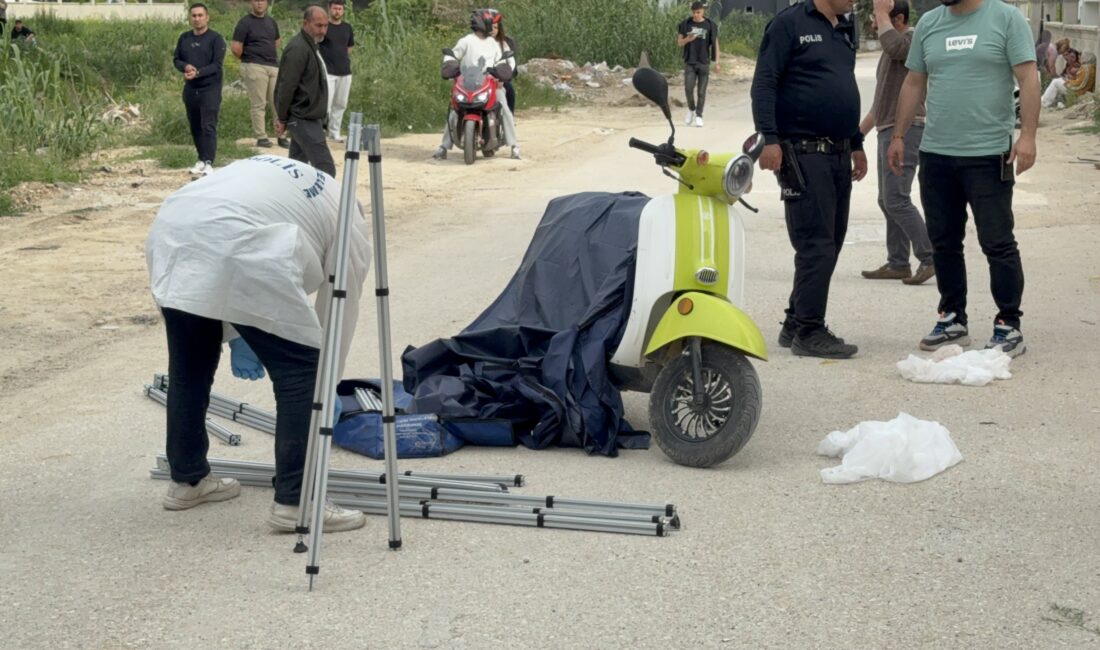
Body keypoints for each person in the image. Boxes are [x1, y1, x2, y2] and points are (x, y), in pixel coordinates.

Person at [145, 155, 371, 532]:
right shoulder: (350, 221)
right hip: (238, 238)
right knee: (302, 373)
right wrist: (325, 380)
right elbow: (339, 304)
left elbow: (223, 272)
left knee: (190, 364)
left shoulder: (293, 181)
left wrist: (237, 332)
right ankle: (298, 503)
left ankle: (188, 481)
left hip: (173, 229)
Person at [889, 0, 1039, 358]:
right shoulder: (929, 23)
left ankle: (1008, 325)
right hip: (937, 153)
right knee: (943, 242)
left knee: (997, 242)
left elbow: (1029, 76)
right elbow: (913, 81)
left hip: (989, 154)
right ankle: (952, 318)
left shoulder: (1006, 18)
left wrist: (1028, 135)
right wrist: (897, 136)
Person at [750, 0, 867, 359]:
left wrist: (857, 143)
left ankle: (795, 320)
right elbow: (764, 83)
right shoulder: (789, 23)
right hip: (803, 153)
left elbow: (842, 85)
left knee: (831, 240)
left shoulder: (845, 27)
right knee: (815, 243)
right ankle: (809, 332)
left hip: (837, 151)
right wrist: (768, 139)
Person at [857, 0, 934, 285]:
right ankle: (898, 262)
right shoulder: (888, 55)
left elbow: (896, 47)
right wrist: (857, 135)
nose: (873, 24)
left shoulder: (912, 38)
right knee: (886, 199)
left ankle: (929, 257)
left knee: (896, 199)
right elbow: (880, 105)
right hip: (887, 129)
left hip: (907, 129)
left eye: (878, 18)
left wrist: (881, 9)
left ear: (898, 18)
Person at [433, 9, 519, 161]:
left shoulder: (494, 43)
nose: (491, 26)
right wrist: (449, 64)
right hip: (467, 84)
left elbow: (504, 60)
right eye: (489, 23)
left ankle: (514, 146)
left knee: (504, 108)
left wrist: (502, 73)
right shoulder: (466, 41)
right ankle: (444, 146)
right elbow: (453, 54)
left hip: (491, 84)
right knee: (455, 110)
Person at [275, 6, 335, 178]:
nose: (323, 30)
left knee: (297, 170)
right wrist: (282, 117)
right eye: (318, 26)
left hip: (308, 117)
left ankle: (293, 204)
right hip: (302, 118)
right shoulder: (298, 48)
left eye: (325, 26)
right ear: (306, 23)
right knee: (326, 170)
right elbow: (286, 86)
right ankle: (324, 206)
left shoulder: (311, 45)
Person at [173, 3, 226, 178]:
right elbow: (176, 59)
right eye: (194, 16)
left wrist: (198, 73)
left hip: (210, 88)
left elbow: (217, 65)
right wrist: (185, 67)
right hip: (190, 89)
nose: (197, 19)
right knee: (195, 125)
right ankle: (201, 159)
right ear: (190, 18)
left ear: (207, 17)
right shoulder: (184, 38)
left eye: (200, 15)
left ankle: (209, 162)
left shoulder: (216, 39)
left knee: (208, 125)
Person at [231, 0, 286, 148]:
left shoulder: (271, 22)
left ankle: (281, 135)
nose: (259, 3)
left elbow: (277, 41)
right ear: (251, 3)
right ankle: (261, 137)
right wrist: (249, 58)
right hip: (254, 64)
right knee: (259, 103)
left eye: (262, 0)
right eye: (256, 0)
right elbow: (236, 48)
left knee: (278, 102)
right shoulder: (245, 23)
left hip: (273, 65)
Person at [677, 1, 720, 128]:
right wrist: (687, 39)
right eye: (694, 12)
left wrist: (717, 62)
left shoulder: (710, 25)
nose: (696, 15)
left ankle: (699, 115)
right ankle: (691, 109)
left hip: (704, 63)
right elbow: (679, 43)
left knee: (701, 92)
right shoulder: (685, 24)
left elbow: (716, 45)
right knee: (688, 89)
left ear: (703, 11)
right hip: (690, 62)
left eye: (698, 12)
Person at [319, 0, 354, 142]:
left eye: (340, 9)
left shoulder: (347, 27)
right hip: (328, 71)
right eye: (335, 8)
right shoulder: (324, 27)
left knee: (341, 104)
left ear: (343, 10)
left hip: (345, 71)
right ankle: (320, 131)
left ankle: (334, 132)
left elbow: (349, 47)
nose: (337, 11)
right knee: (325, 104)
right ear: (329, 9)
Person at [491, 9, 517, 114]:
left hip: (498, 77)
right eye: (490, 27)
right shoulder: (477, 43)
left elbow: (511, 62)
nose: (493, 30)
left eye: (495, 27)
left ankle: (509, 116)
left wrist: (504, 76)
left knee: (509, 89)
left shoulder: (503, 44)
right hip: (480, 77)